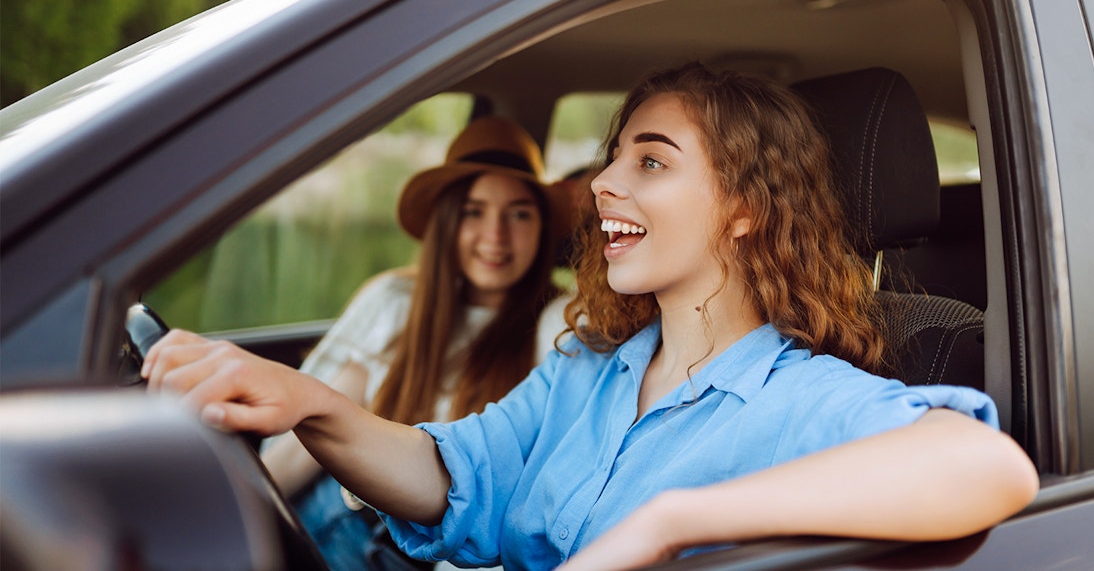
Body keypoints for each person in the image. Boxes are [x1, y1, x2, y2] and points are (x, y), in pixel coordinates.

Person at [143, 63, 1039, 571]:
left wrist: (672, 520)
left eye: (651, 162)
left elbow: (986, 465)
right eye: (614, 158)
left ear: (745, 208)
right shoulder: (591, 367)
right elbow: (457, 475)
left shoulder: (797, 397)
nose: (604, 182)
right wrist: (307, 402)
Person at [259, 116, 573, 570]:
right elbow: (307, 437)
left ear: (543, 228)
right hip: (327, 518)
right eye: (474, 211)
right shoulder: (394, 302)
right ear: (447, 221)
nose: (496, 235)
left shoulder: (555, 324)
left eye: (519, 213)